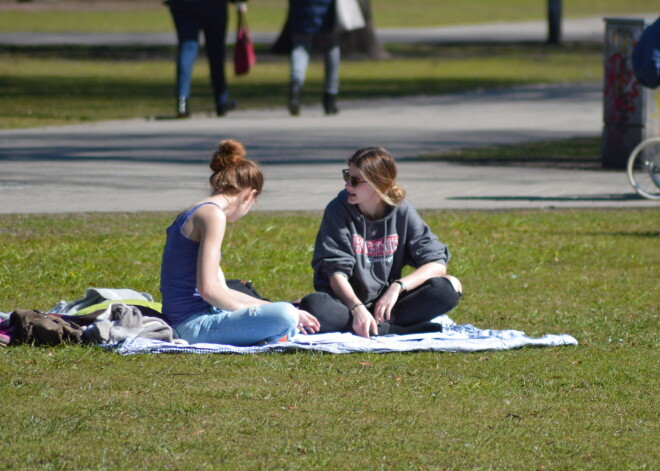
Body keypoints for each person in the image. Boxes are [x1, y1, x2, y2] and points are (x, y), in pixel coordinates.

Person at [160, 139, 320, 345]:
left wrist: (265, 306)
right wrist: (265, 312)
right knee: (285, 315)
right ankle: (274, 331)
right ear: (250, 195)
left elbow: (222, 290)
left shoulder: (198, 211)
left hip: (196, 319)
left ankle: (273, 330)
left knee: (285, 312)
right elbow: (208, 290)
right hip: (192, 326)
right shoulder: (212, 215)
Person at [299, 146, 462, 339]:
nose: (347, 186)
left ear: (380, 183)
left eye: (356, 181)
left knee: (449, 287)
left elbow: (436, 263)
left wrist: (397, 287)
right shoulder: (338, 210)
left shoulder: (401, 210)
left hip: (386, 305)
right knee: (314, 305)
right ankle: (397, 330)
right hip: (345, 304)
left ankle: (375, 326)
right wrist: (357, 308)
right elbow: (336, 273)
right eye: (347, 176)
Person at [165, 0, 241, 118]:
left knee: (187, 47)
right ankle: (221, 101)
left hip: (183, 4)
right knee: (216, 51)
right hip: (213, 5)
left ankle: (182, 102)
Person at [287, 0, 341, 116]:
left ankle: (296, 82)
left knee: (300, 46)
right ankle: (330, 95)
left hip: (301, 5)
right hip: (327, 7)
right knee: (331, 46)